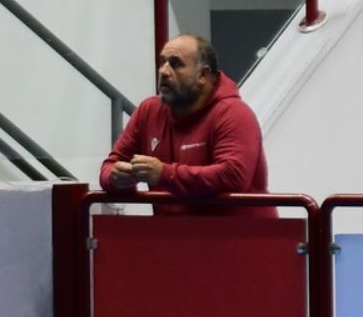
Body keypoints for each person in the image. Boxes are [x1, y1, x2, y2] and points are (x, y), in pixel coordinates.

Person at [99, 34, 275, 217]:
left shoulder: (234, 113)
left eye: (175, 64)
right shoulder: (149, 110)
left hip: (239, 233)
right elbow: (110, 166)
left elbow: (233, 176)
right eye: (162, 62)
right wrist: (116, 178)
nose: (164, 71)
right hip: (175, 232)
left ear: (203, 75)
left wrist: (164, 174)